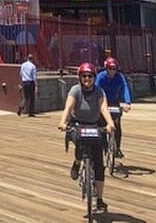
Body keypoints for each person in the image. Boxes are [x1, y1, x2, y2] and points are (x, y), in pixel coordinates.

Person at [58, 62, 115, 214]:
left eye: (90, 76)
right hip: (78, 124)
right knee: (79, 147)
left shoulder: (99, 91)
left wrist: (109, 123)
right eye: (84, 76)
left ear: (94, 77)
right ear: (80, 78)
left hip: (93, 125)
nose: (87, 79)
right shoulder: (75, 90)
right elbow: (68, 107)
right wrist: (62, 122)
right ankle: (77, 163)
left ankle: (100, 199)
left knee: (98, 164)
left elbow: (103, 108)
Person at [95, 57, 131, 158]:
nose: (112, 71)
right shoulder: (100, 77)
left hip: (114, 102)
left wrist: (127, 102)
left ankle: (117, 148)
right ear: (106, 68)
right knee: (101, 124)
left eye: (114, 69)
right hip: (102, 101)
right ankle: (104, 146)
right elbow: (96, 89)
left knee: (117, 124)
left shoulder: (119, 77)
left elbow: (124, 88)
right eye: (110, 68)